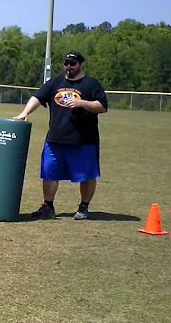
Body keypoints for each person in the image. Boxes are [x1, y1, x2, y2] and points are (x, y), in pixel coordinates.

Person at [13, 51, 108, 220]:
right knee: (49, 172)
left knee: (86, 175)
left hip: (84, 141)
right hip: (55, 139)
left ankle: (83, 207)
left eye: (73, 63)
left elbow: (102, 106)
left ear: (81, 64)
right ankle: (48, 207)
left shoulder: (91, 84)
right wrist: (24, 112)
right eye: (66, 63)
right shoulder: (55, 83)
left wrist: (82, 103)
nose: (69, 67)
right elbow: (37, 97)